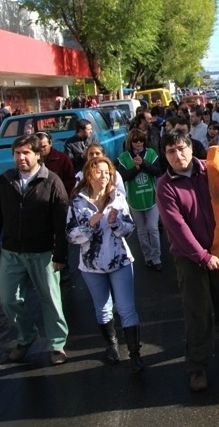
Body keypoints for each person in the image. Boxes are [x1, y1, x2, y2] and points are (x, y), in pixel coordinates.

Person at [156, 130, 219, 392]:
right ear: (165, 155)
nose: (178, 155)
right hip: (189, 256)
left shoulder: (209, 170)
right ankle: (197, 366)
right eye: (171, 151)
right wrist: (202, 257)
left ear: (192, 148)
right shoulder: (165, 186)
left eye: (182, 148)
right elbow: (177, 228)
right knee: (197, 309)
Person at [0, 134, 70, 365]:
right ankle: (27, 336)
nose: (20, 158)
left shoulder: (51, 182)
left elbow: (62, 223)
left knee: (51, 301)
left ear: (37, 155)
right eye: (17, 153)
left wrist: (60, 254)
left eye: (26, 153)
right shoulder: (5, 181)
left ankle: (57, 345)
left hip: (43, 252)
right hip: (12, 252)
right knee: (8, 300)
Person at [66, 156, 144, 371]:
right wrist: (88, 227)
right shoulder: (77, 202)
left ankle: (135, 353)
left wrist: (116, 223)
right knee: (103, 309)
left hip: (120, 260)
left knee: (127, 308)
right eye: (99, 172)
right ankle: (111, 345)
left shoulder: (117, 198)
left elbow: (129, 229)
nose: (104, 176)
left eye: (107, 172)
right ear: (89, 175)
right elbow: (71, 235)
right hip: (91, 265)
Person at [118, 129, 163, 272]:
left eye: (141, 140)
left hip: (151, 197)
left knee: (153, 228)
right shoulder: (124, 157)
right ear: (130, 142)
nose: (138, 143)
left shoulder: (151, 153)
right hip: (134, 199)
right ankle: (148, 257)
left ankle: (157, 258)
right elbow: (122, 177)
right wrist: (136, 169)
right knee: (142, 230)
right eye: (135, 141)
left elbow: (157, 171)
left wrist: (143, 163)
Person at [37, 132, 76, 197]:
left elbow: (71, 180)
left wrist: (63, 196)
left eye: (44, 146)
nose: (41, 149)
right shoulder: (32, 160)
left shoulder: (62, 158)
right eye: (38, 147)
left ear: (50, 143)